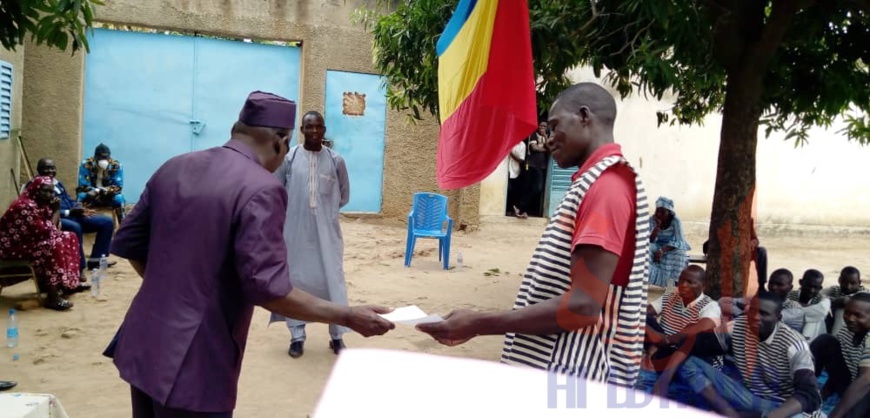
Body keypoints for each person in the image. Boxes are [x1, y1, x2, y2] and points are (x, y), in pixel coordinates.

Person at [103, 91, 394, 417]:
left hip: (144, 343)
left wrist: (178, 291)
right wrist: (346, 315)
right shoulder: (261, 188)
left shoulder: (174, 166)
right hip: (195, 361)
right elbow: (270, 290)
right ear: (281, 141)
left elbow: (130, 243)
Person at [418, 82, 650, 387]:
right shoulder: (595, 182)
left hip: (577, 380)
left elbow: (583, 306)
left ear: (584, 116)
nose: (549, 139)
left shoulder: (606, 187)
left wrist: (479, 322)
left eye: (554, 127)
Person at [268, 111, 352, 358]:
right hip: (294, 233)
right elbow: (278, 191)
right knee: (296, 281)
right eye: (309, 127)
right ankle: (297, 336)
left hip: (328, 234)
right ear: (302, 130)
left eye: (319, 127)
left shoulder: (336, 161)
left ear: (324, 130)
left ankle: (337, 336)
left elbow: (343, 195)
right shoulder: (290, 159)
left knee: (332, 280)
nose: (315, 132)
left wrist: (324, 213)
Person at [671, 291, 823, 417]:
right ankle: (730, 413)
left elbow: (810, 394)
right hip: (749, 396)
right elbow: (703, 344)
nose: (756, 317)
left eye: (764, 314)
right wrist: (673, 340)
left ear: (778, 318)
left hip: (783, 406)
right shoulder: (739, 326)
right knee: (687, 361)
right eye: (753, 311)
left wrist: (774, 416)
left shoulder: (794, 345)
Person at [0, 176, 87, 310]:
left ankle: (67, 284)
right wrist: (56, 210)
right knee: (52, 245)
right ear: (35, 190)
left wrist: (52, 211)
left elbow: (54, 229)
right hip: (10, 247)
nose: (49, 195)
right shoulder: (25, 206)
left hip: (29, 242)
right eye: (45, 191)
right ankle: (52, 297)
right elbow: (48, 232)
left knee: (70, 236)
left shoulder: (40, 204)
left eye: (51, 192)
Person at [31, 158, 116, 273]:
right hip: (57, 219)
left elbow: (68, 200)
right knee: (75, 227)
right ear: (38, 170)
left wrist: (79, 208)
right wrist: (68, 212)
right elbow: (41, 211)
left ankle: (97, 259)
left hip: (74, 215)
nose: (50, 171)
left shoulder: (57, 183)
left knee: (106, 222)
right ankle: (79, 266)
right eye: (46, 168)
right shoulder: (37, 187)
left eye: (52, 168)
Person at [644, 265, 722, 378]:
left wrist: (667, 340)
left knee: (695, 338)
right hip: (666, 348)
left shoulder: (710, 306)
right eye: (681, 280)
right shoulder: (670, 297)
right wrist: (657, 339)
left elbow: (705, 327)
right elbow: (643, 314)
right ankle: (664, 363)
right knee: (641, 319)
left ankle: (664, 363)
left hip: (694, 355)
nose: (683, 285)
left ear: (704, 286)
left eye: (690, 282)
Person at [810, 292, 870, 418]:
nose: (850, 318)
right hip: (853, 382)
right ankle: (804, 390)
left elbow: (866, 380)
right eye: (847, 313)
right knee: (825, 341)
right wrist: (822, 394)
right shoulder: (847, 331)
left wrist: (835, 414)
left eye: (858, 315)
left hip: (866, 389)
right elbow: (838, 365)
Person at [76, 143, 127, 221]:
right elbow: (83, 186)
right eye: (101, 157)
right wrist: (92, 191)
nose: (104, 160)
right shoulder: (86, 164)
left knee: (119, 199)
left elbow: (118, 187)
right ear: (95, 157)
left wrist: (99, 190)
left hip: (108, 196)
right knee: (81, 196)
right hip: (91, 196)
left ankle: (123, 226)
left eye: (106, 157)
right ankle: (78, 221)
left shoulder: (116, 166)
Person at [649, 196, 690, 288]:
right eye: (657, 210)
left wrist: (662, 251)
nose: (659, 214)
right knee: (645, 249)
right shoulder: (652, 219)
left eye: (663, 211)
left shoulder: (676, 221)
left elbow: (679, 241)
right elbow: (650, 240)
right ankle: (651, 279)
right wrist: (657, 227)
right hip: (656, 245)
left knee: (680, 252)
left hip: (671, 247)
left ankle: (675, 283)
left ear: (669, 212)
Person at [788, 269, 831, 341]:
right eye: (809, 286)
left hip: (813, 338)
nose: (811, 290)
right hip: (790, 334)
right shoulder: (790, 295)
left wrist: (795, 309)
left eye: (815, 287)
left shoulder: (822, 299)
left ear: (820, 288)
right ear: (801, 282)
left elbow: (821, 312)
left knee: (816, 319)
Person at [824, 266, 865, 335]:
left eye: (853, 283)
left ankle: (836, 339)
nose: (848, 286)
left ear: (859, 283)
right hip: (840, 326)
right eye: (844, 282)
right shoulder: (835, 290)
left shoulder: (864, 294)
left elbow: (845, 301)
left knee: (842, 309)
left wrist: (827, 301)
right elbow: (817, 295)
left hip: (859, 329)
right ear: (839, 280)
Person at [522, 121, 549, 217]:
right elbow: (534, 148)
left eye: (545, 126)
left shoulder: (546, 136)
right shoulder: (533, 134)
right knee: (529, 187)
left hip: (541, 166)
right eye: (541, 126)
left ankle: (523, 208)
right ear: (538, 126)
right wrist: (546, 150)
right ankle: (522, 209)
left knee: (537, 188)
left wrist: (545, 137)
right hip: (532, 165)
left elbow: (550, 147)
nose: (543, 128)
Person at [506, 139, 528, 218]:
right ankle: (510, 210)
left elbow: (521, 160)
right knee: (507, 190)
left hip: (515, 170)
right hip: (506, 169)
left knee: (512, 190)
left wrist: (510, 152)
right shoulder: (509, 141)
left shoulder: (522, 145)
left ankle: (512, 209)